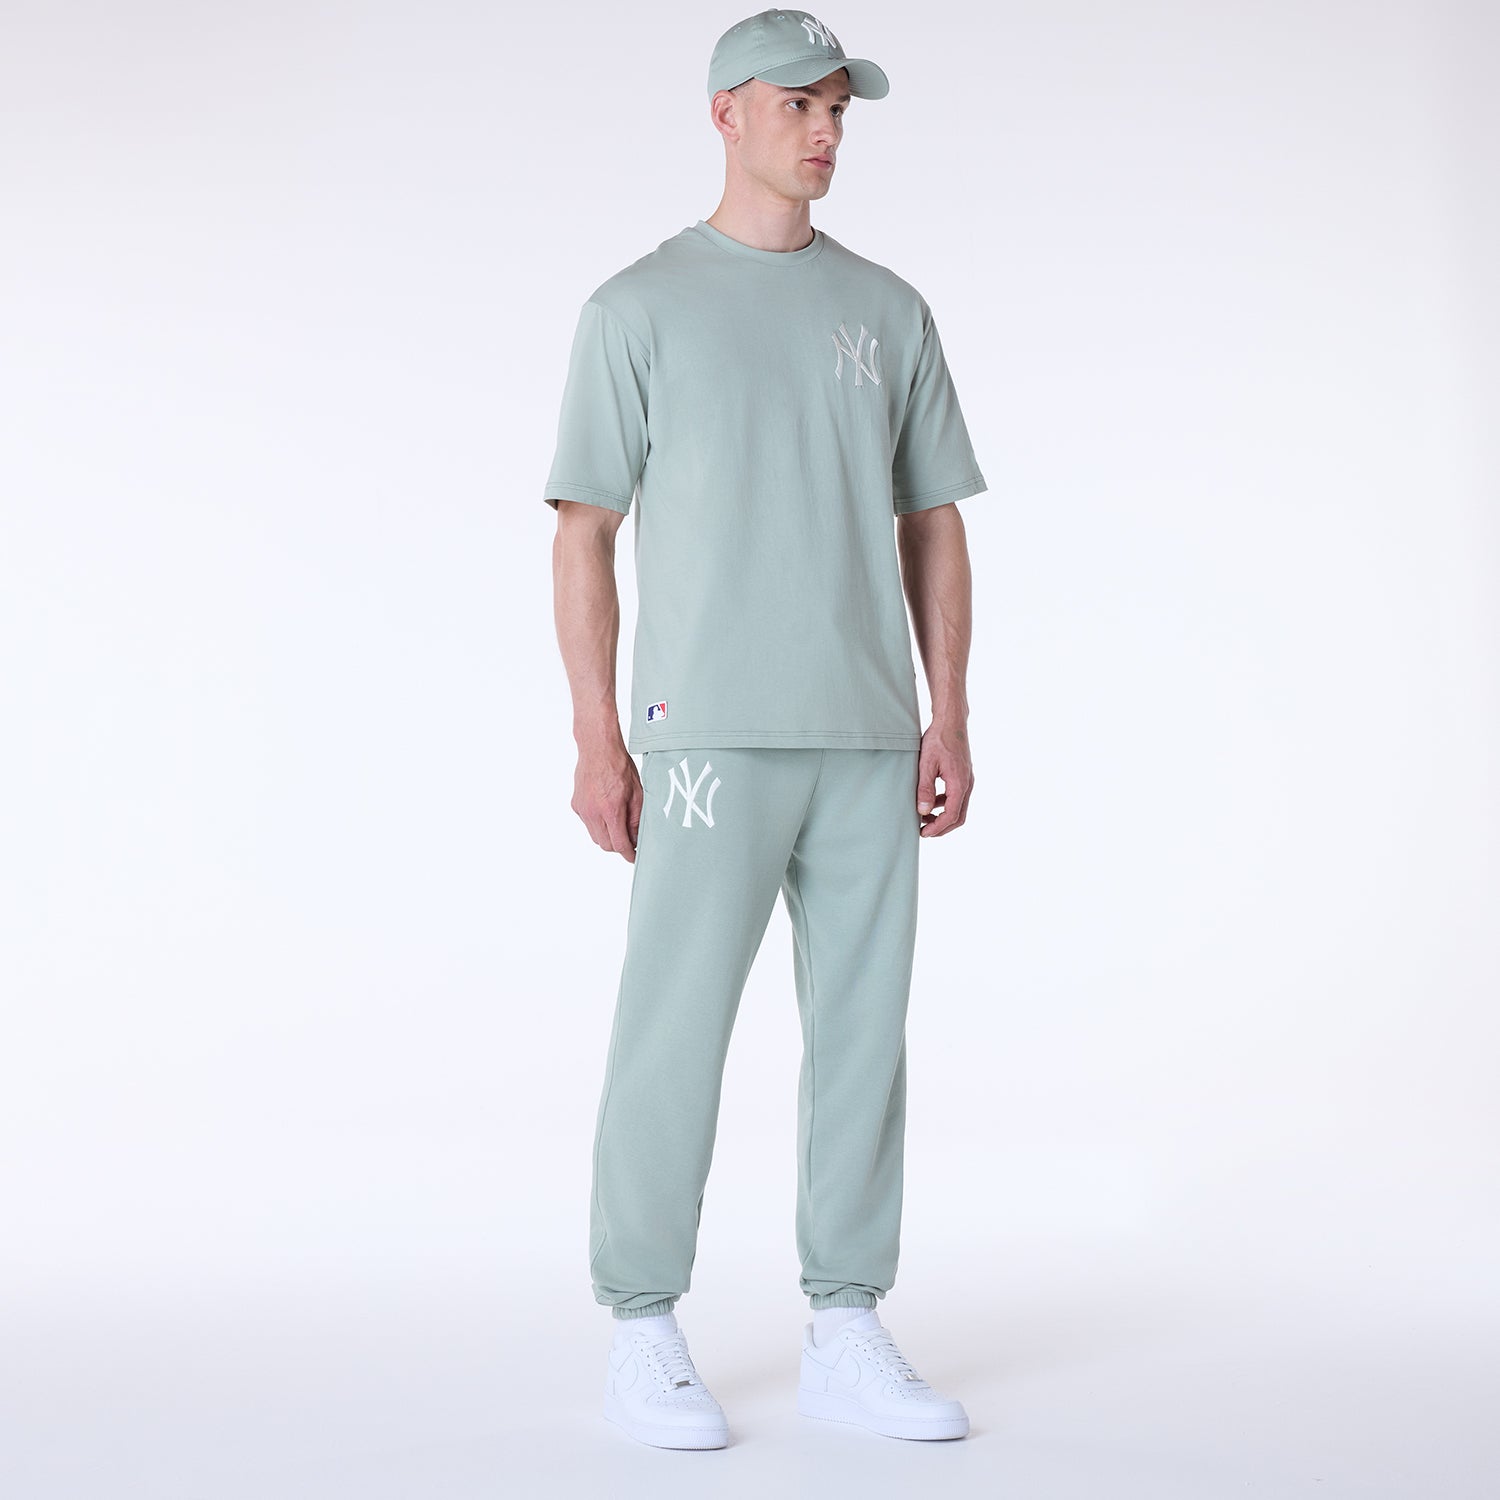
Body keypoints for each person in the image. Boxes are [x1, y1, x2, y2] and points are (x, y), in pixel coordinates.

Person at [543, 9, 986, 1450]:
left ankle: (846, 1325)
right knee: (673, 1029)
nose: (827, 130)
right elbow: (585, 531)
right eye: (800, 104)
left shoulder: (889, 311)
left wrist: (948, 713)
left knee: (864, 1038)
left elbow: (933, 523)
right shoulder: (637, 309)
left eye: (840, 109)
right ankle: (642, 1325)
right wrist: (598, 737)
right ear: (727, 113)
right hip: (708, 740)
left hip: (867, 734)